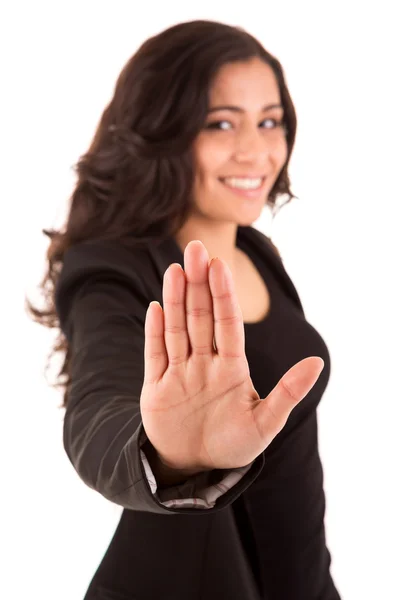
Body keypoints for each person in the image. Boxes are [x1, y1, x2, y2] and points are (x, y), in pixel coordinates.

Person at [27, 19, 341, 600]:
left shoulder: (257, 253)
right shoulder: (112, 270)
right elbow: (96, 413)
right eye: (220, 122)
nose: (256, 150)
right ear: (162, 130)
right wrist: (168, 455)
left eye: (270, 121)